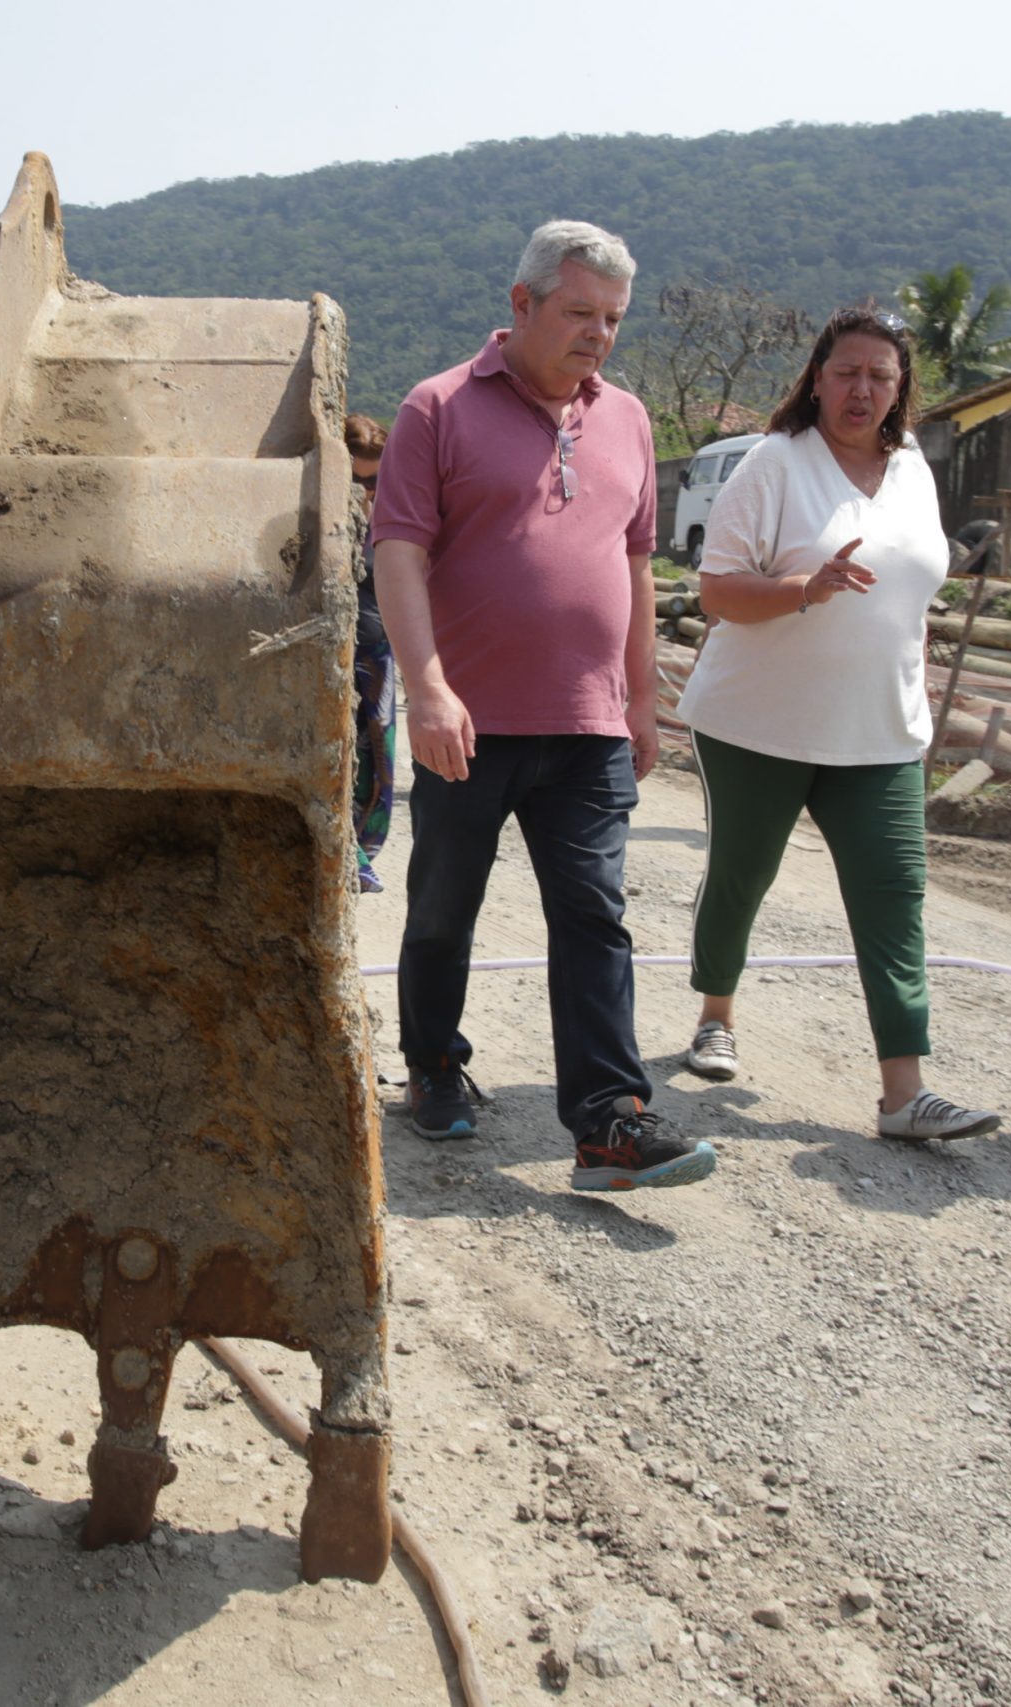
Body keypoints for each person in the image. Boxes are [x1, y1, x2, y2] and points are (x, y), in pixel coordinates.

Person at [370, 219, 714, 1193]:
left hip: (589, 724)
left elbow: (637, 563)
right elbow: (396, 552)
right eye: (578, 313)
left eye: (611, 318)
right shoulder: (435, 408)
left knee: (594, 915)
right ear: (520, 306)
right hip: (465, 722)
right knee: (443, 906)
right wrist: (426, 686)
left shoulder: (630, 420)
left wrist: (640, 697)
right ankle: (435, 1065)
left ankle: (609, 1121)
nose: (597, 334)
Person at [671, 307, 1002, 1143]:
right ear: (816, 377)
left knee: (894, 897)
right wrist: (804, 590)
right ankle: (717, 1011)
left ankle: (904, 1094)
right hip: (757, 724)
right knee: (742, 877)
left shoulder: (913, 470)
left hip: (881, 729)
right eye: (847, 371)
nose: (862, 389)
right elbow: (717, 592)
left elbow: (912, 584)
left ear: (901, 390)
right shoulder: (774, 464)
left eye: (880, 376)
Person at [345, 413, 398, 893]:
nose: (365, 492)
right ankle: (350, 854)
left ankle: (362, 848)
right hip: (339, 653)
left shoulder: (396, 515)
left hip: (379, 651)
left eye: (374, 480)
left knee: (379, 759)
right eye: (354, 480)